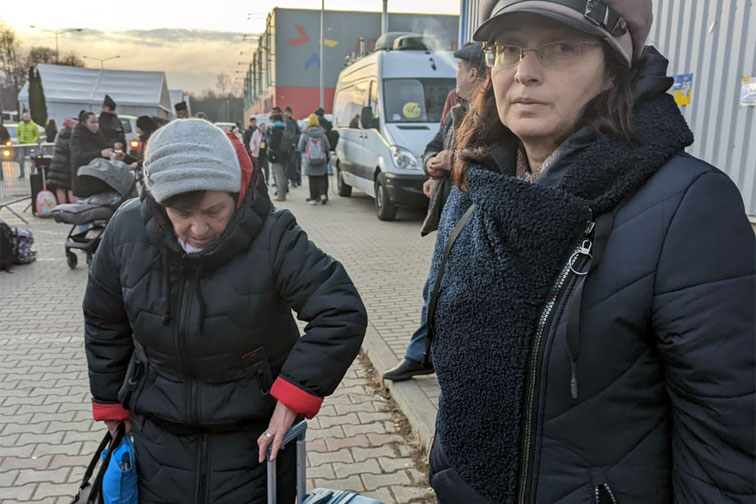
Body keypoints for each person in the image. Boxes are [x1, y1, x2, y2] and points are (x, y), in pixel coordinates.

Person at [426, 1, 756, 503]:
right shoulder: (475, 187)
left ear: (612, 67)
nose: (525, 73)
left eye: (560, 48)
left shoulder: (689, 206)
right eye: (509, 49)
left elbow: (727, 442)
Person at [83, 118, 367, 503]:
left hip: (252, 441)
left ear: (236, 193)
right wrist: (111, 405)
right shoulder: (127, 231)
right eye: (181, 214)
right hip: (157, 438)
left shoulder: (274, 235)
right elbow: (104, 319)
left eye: (213, 210)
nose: (198, 228)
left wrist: (291, 399)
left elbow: (340, 311)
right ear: (158, 202)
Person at [383, 42, 487, 382]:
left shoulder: (492, 114)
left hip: (473, 218)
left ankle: (433, 357)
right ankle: (424, 354)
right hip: (450, 211)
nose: (455, 75)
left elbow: (494, 165)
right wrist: (433, 167)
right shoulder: (457, 107)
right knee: (436, 288)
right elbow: (435, 145)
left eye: (459, 69)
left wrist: (452, 162)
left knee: (446, 290)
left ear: (473, 72)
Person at [70, 111, 111, 197]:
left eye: (97, 122)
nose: (96, 125)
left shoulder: (99, 135)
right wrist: (100, 154)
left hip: (98, 178)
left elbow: (103, 147)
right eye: (92, 122)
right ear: (84, 123)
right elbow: (78, 156)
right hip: (84, 179)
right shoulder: (78, 136)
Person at [298, 113, 331, 205]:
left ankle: (313, 198)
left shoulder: (305, 134)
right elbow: (328, 146)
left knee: (312, 180)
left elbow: (300, 147)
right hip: (321, 160)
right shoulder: (322, 133)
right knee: (321, 178)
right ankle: (323, 194)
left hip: (310, 160)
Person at [47, 118, 78, 204]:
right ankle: (73, 208)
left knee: (60, 188)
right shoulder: (74, 135)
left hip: (57, 165)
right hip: (68, 166)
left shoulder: (60, 134)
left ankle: (62, 208)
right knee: (71, 188)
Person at [267, 112, 292, 201]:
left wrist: (270, 152)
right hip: (285, 155)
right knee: (283, 175)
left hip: (276, 156)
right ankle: (283, 192)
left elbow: (272, 144)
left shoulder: (275, 130)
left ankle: (281, 195)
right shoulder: (285, 129)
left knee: (279, 176)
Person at [17, 111, 41, 178]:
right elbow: (18, 134)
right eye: (24, 117)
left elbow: (37, 135)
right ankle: (22, 174)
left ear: (30, 117)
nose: (26, 118)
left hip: (31, 145)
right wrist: (19, 140)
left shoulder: (34, 125)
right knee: (21, 159)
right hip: (22, 144)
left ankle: (32, 173)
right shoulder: (20, 124)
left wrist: (33, 141)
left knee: (32, 159)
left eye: (27, 117)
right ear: (22, 117)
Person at [283, 106, 301, 187]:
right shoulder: (283, 122)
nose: (286, 114)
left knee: (293, 164)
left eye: (288, 112)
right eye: (285, 112)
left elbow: (298, 133)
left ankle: (294, 180)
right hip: (285, 146)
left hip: (293, 146)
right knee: (286, 164)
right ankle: (286, 180)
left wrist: (295, 140)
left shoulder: (294, 122)